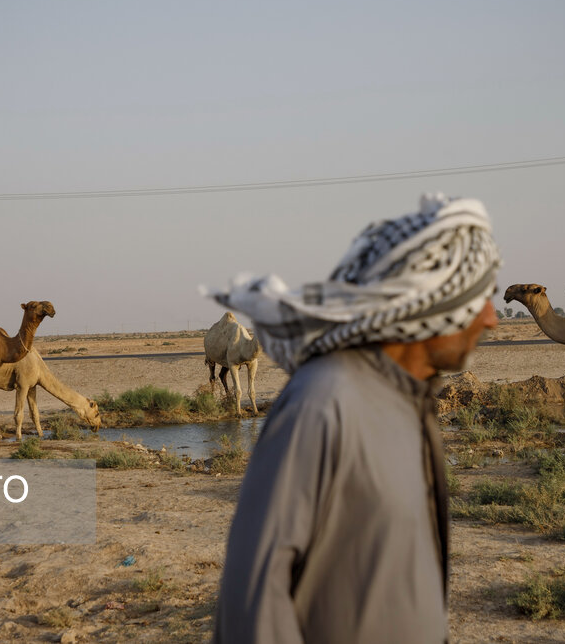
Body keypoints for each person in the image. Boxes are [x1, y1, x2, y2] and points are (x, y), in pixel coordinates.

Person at [208, 194, 501, 643]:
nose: (492, 320)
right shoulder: (324, 404)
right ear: (430, 303)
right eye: (479, 300)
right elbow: (253, 603)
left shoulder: (409, 402)